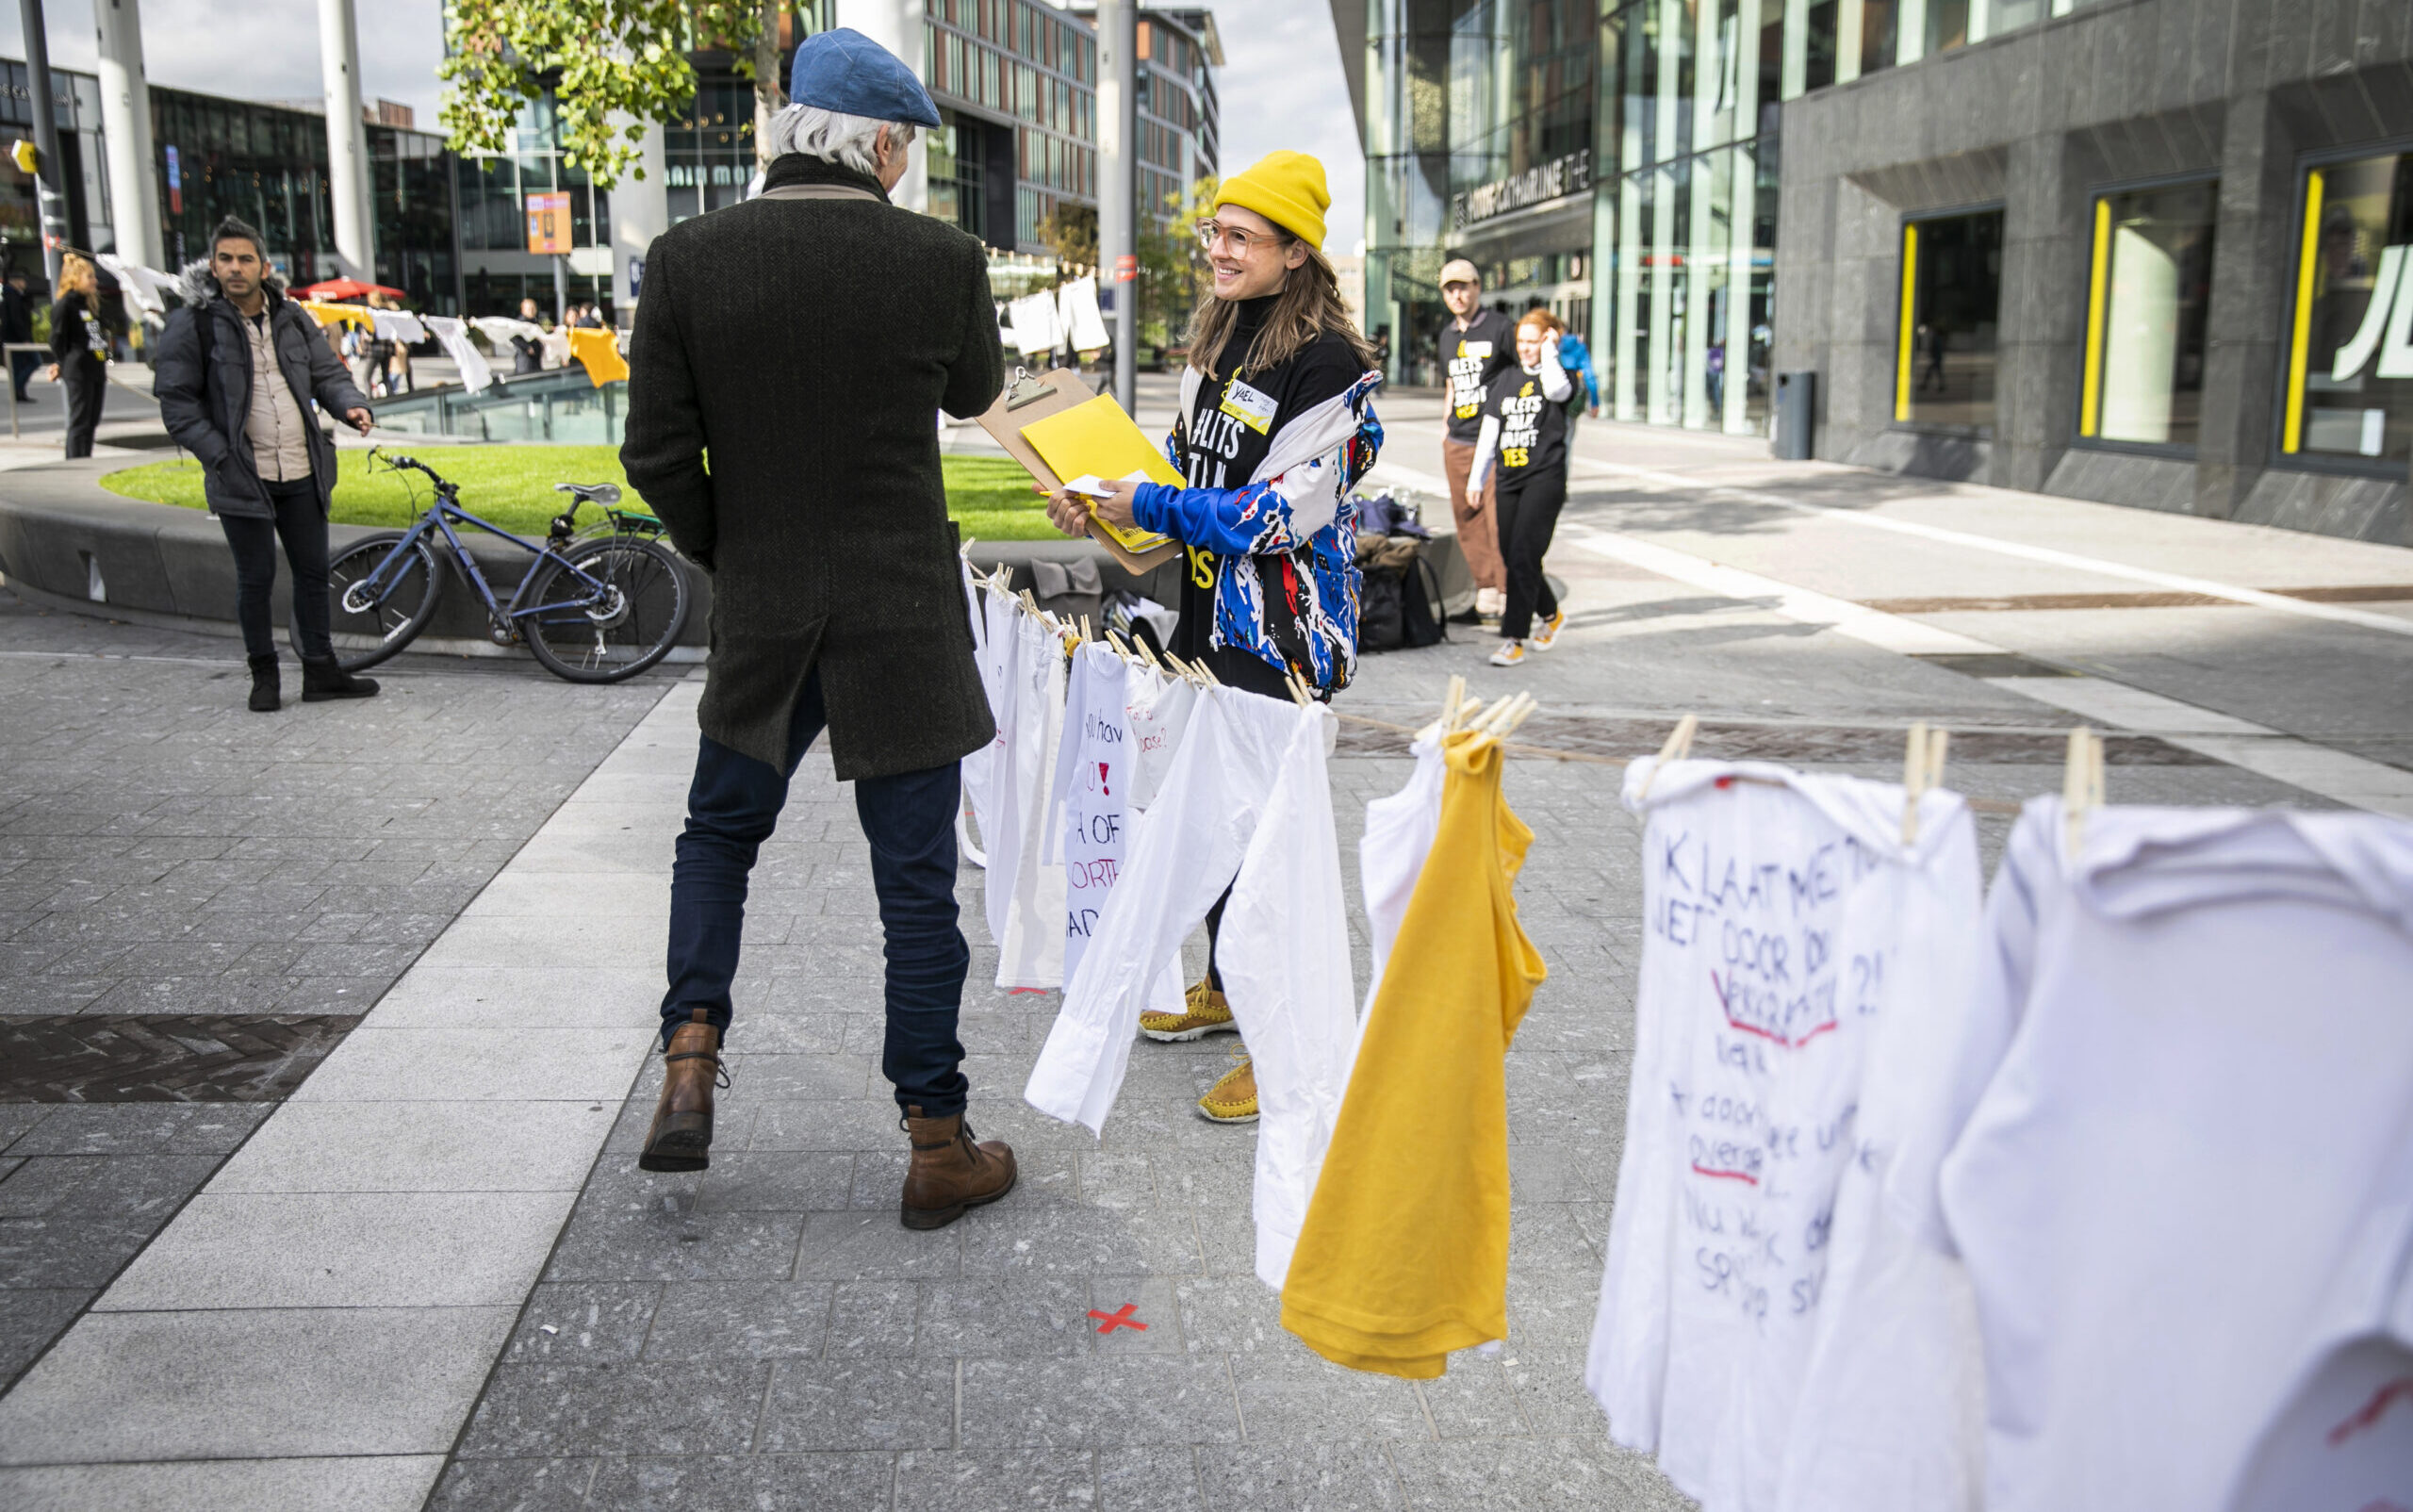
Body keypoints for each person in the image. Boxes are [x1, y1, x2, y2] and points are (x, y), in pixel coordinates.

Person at [620, 27, 1015, 1229]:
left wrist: (733, 550)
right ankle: (936, 1144)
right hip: (900, 615)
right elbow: (972, 391)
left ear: (791, 132)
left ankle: (692, 1054)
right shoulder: (939, 259)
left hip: (767, 610)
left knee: (717, 834)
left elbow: (651, 453)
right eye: (904, 152)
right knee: (915, 889)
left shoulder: (686, 257)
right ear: (882, 145)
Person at [1042, 149, 1383, 1126]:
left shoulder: (1335, 370)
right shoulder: (1221, 334)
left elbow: (1276, 512)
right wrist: (1107, 509)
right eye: (1215, 232)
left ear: (1294, 252)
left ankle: (1285, 1056)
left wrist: (1151, 497)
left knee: (1271, 846)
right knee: (1223, 834)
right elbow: (1182, 476)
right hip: (1204, 629)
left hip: (1279, 640)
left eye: (1239, 236)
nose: (1218, 251)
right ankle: (1230, 995)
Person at [155, 217, 382, 713]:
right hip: (242, 475)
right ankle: (264, 675)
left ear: (264, 266)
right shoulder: (193, 322)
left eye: (245, 259)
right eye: (225, 259)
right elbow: (177, 403)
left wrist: (351, 404)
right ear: (213, 266)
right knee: (255, 579)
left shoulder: (293, 319)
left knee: (313, 573)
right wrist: (219, 454)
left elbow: (328, 374)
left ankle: (321, 671)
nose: (235, 268)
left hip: (302, 467)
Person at [1469, 308, 1572, 667]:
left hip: (1544, 479)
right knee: (1514, 557)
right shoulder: (1506, 379)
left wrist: (1550, 352)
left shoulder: (1558, 374)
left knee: (1525, 556)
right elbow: (1489, 433)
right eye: (1522, 342)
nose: (1526, 348)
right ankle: (1551, 615)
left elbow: (1559, 392)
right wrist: (1476, 479)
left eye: (1534, 341)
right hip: (1508, 479)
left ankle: (1513, 639)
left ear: (1548, 339)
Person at [1435, 259, 1512, 621]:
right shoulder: (1448, 335)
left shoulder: (1499, 327)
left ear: (1478, 287)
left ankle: (1510, 594)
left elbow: (1521, 371)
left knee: (1499, 519)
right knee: (1467, 517)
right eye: (1450, 288)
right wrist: (1445, 426)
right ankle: (1486, 595)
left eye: (1464, 287)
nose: (1458, 294)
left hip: (1494, 441)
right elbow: (1451, 381)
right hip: (1459, 440)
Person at [44, 253, 110, 458]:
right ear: (75, 278)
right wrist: (60, 363)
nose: (94, 281)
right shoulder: (65, 305)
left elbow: (97, 334)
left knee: (92, 419)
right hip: (78, 369)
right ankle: (74, 460)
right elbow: (57, 338)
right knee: (80, 420)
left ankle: (86, 458)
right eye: (89, 277)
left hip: (96, 368)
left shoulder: (89, 304)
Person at [1, 268, 37, 403]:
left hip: (15, 337)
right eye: (22, 280)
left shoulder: (18, 295)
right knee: (35, 361)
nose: (25, 283)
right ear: (16, 282)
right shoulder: (12, 297)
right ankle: (16, 388)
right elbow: (16, 320)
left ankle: (19, 393)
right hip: (17, 338)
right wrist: (25, 338)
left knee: (19, 366)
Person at [511, 296, 546, 375]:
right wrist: (527, 348)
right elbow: (513, 337)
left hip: (535, 359)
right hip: (525, 360)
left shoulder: (534, 321)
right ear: (523, 310)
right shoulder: (521, 322)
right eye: (529, 309)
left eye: (533, 308)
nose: (532, 311)